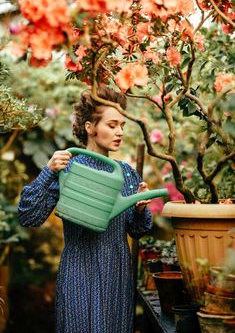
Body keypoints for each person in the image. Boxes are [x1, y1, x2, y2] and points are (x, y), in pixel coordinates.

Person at [18, 86, 153, 333]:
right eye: (112, 125)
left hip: (117, 271)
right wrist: (48, 171)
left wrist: (141, 209)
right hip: (79, 267)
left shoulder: (126, 174)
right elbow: (29, 216)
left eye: (122, 125)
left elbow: (137, 230)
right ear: (90, 127)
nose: (120, 131)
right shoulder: (68, 167)